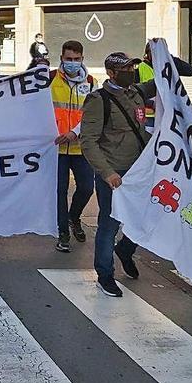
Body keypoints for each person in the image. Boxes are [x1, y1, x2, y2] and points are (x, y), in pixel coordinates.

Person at [79, 52, 153, 297]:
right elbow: (88, 141)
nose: (130, 72)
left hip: (139, 170)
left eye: (132, 67)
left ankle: (125, 249)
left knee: (143, 219)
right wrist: (107, 173)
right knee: (109, 225)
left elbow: (171, 77)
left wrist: (164, 56)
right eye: (124, 69)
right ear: (111, 73)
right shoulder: (99, 100)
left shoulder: (137, 93)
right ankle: (105, 275)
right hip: (114, 173)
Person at [51, 41, 97, 253]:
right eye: (68, 59)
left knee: (87, 187)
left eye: (76, 59)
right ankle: (63, 233)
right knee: (59, 191)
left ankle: (74, 217)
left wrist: (75, 133)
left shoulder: (91, 82)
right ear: (61, 58)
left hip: (81, 147)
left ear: (82, 59)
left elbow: (93, 115)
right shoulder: (49, 79)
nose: (72, 63)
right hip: (56, 148)